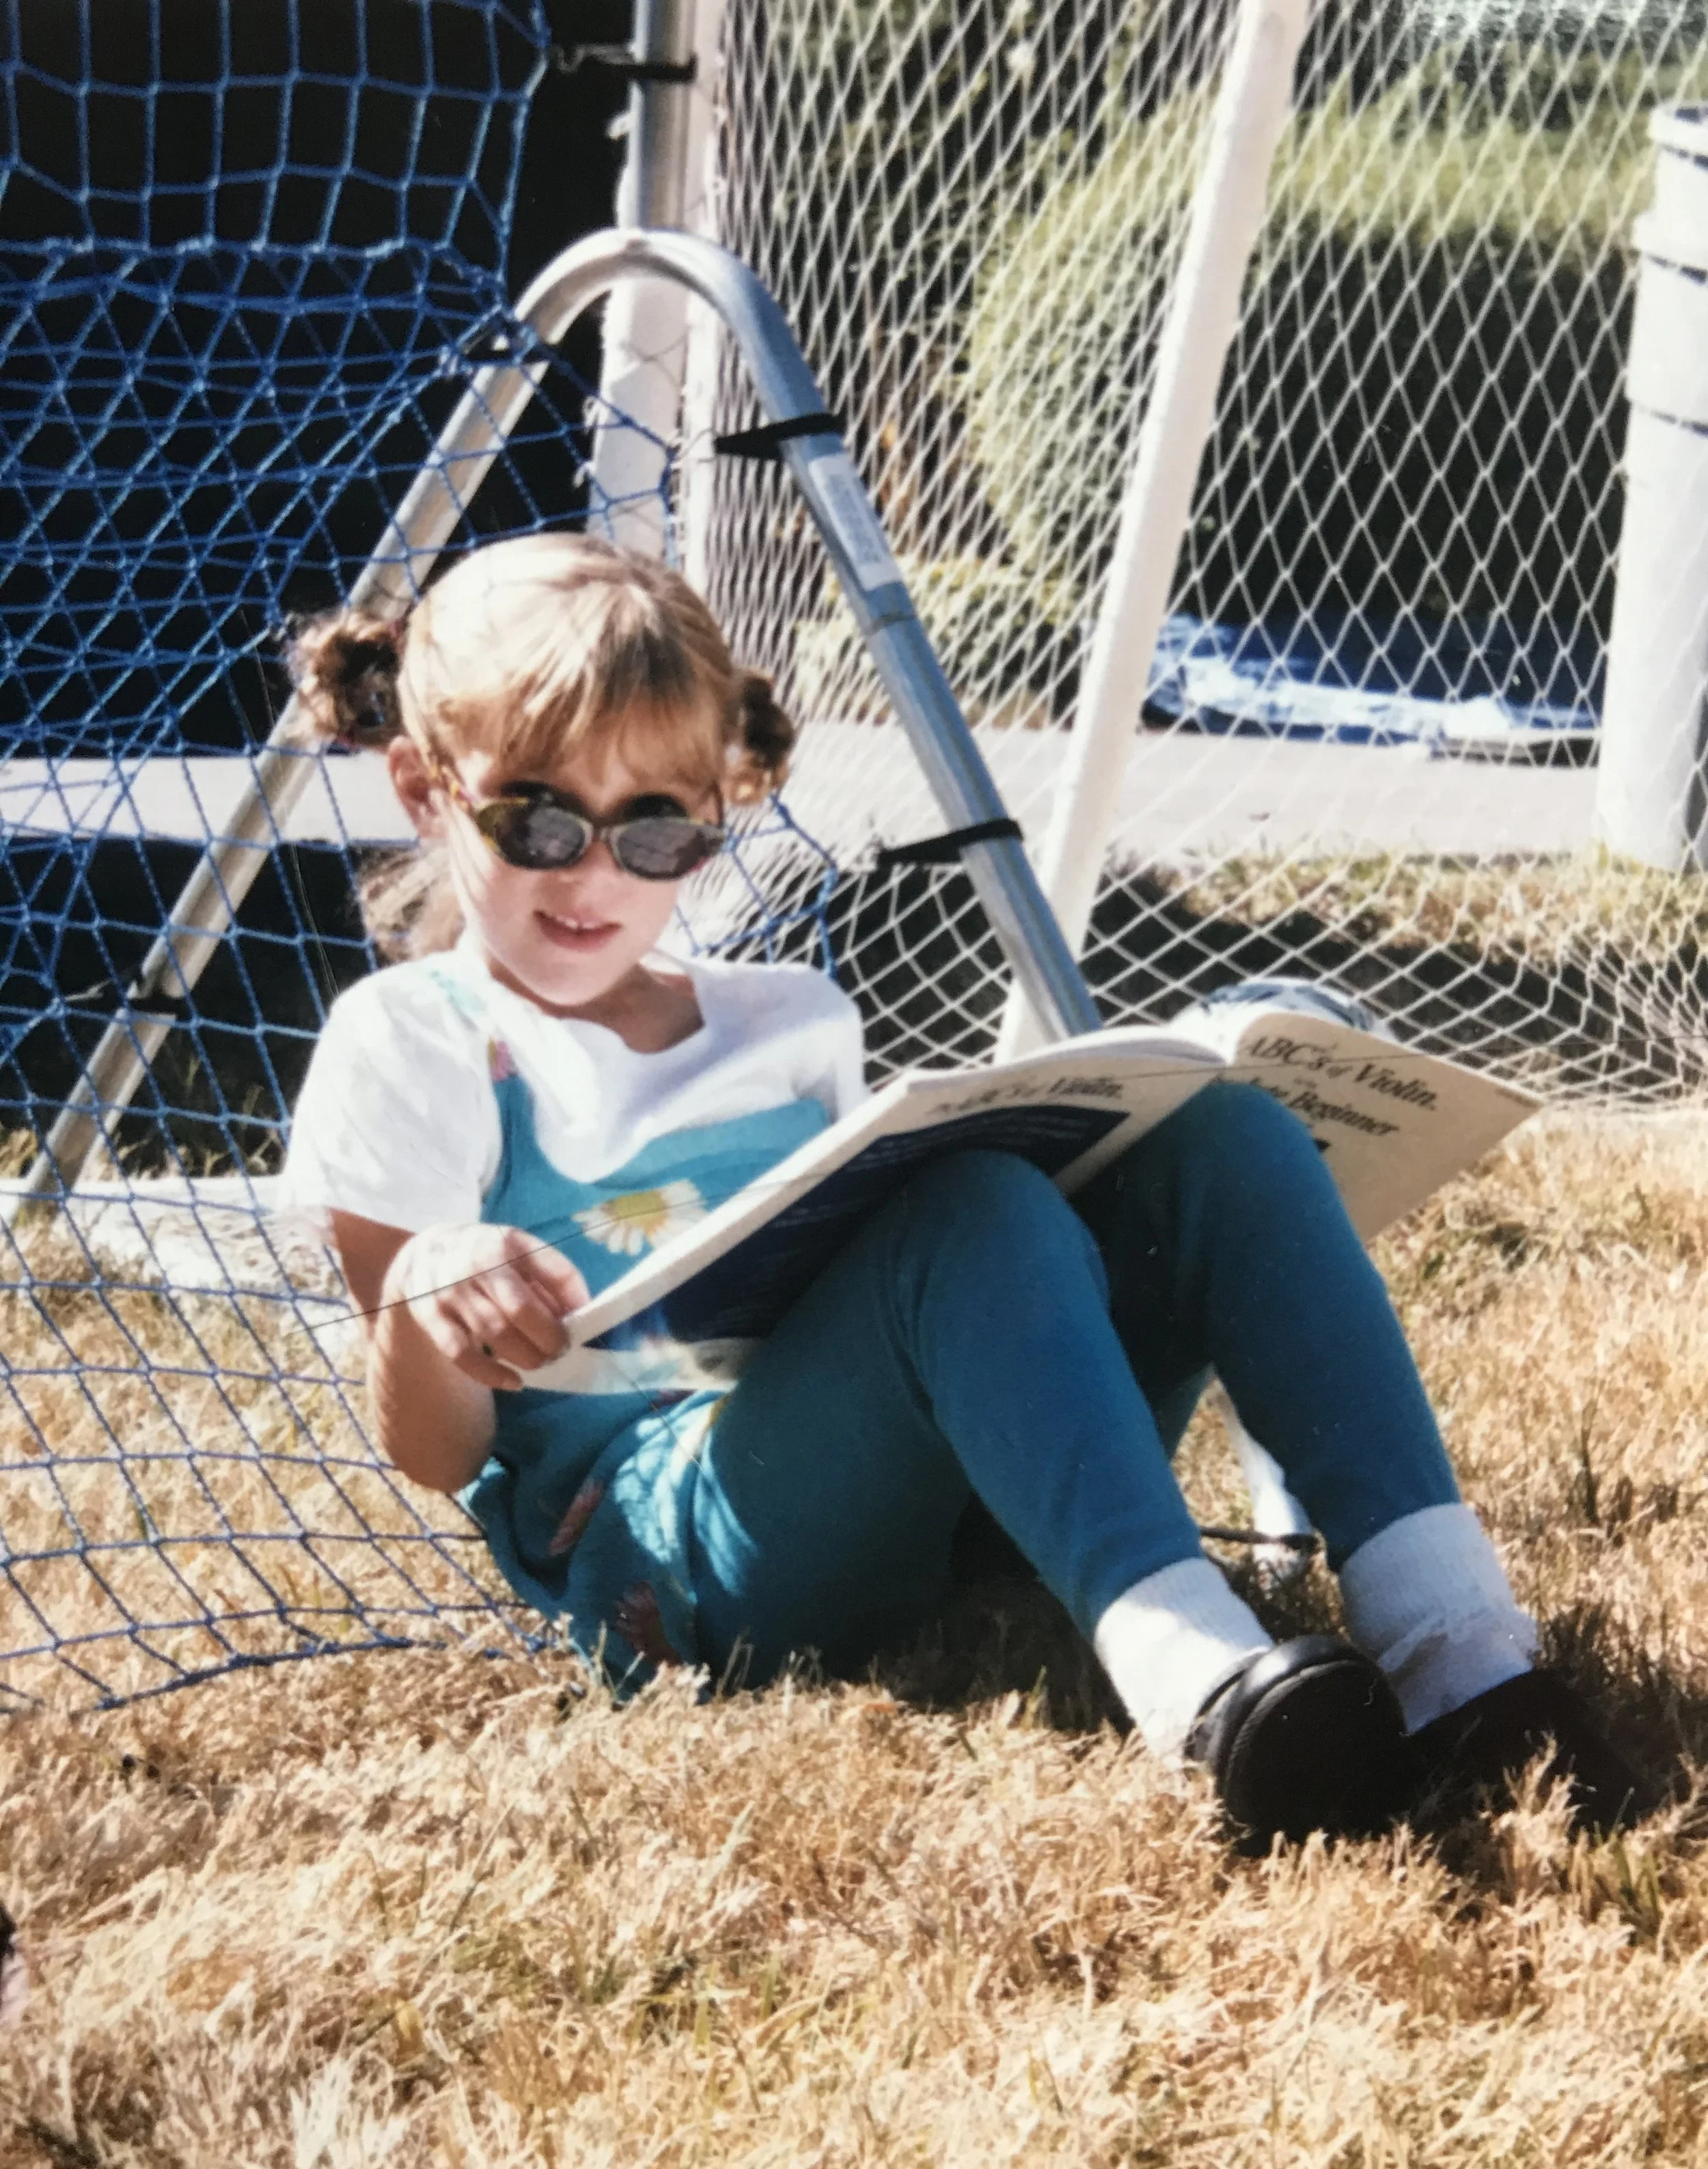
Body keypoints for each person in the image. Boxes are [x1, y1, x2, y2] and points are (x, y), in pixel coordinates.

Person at [279, 532, 1641, 1847]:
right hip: (678, 1565)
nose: (593, 876)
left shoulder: (784, 1014)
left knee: (1224, 1135)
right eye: (540, 820)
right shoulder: (419, 1038)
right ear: (421, 790)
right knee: (966, 1218)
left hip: (947, 1500)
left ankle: (1460, 1654)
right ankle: (1202, 1693)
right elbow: (434, 1452)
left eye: (653, 835)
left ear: (713, 814)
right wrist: (419, 1297)